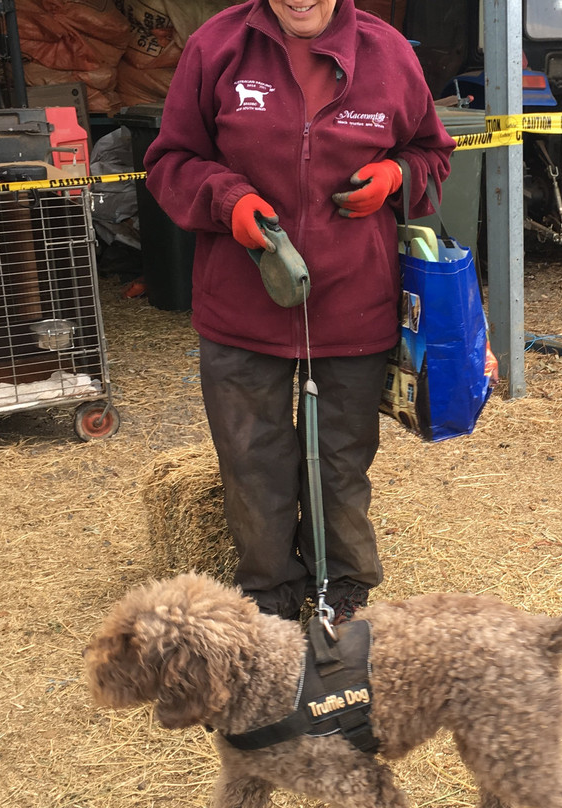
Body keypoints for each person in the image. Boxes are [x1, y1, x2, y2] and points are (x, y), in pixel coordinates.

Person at [143, 0, 455, 622]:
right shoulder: (217, 47)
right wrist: (227, 200)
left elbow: (433, 154)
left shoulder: (389, 53)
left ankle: (342, 587)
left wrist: (395, 176)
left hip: (355, 302)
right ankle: (269, 593)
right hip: (241, 305)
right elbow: (168, 162)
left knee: (341, 459)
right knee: (252, 460)